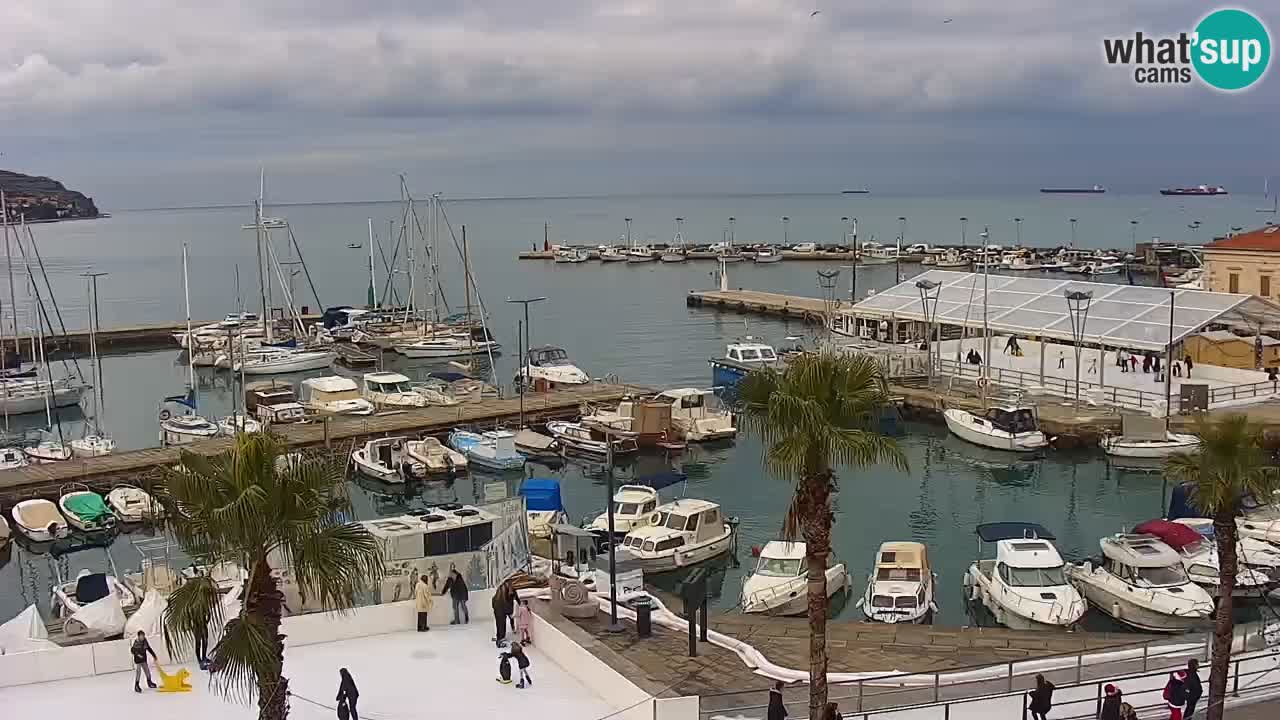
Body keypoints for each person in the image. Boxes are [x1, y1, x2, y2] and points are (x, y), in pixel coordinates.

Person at [493, 582, 511, 647]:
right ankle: (499, 641)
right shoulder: (503, 596)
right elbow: (506, 605)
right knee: (501, 625)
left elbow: (493, 603)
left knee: (499, 625)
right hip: (501, 612)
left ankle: (499, 638)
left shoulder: (496, 596)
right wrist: (509, 612)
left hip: (497, 612)